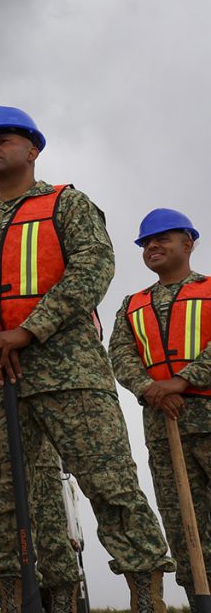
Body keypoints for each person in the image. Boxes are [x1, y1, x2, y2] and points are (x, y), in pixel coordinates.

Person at [0, 106, 174, 612]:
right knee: (3, 504)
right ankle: (14, 597)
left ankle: (146, 596)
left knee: (109, 484)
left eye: (3, 139)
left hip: (71, 373)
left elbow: (93, 268)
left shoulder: (67, 205)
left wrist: (28, 330)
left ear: (33, 148)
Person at [110, 208, 211, 605]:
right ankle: (200, 595)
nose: (152, 246)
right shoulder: (133, 305)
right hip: (164, 428)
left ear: (188, 243)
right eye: (146, 243)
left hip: (206, 417)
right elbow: (120, 353)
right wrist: (150, 388)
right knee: (183, 523)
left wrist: (182, 380)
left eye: (162, 239)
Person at [0, 348, 82, 613]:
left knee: (50, 529)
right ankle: (13, 602)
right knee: (1, 527)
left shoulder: (23, 330)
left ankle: (61, 602)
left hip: (38, 449)